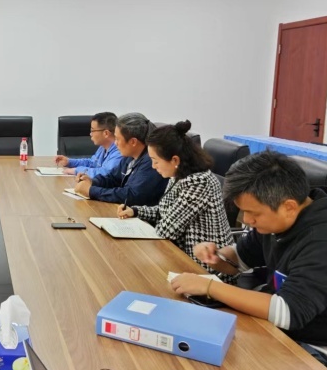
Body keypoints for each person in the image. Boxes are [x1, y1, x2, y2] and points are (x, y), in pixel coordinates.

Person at [170, 151, 327, 357]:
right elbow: (240, 259)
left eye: (253, 213)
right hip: (286, 330)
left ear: (288, 207)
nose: (246, 220)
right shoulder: (279, 221)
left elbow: (289, 312)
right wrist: (216, 257)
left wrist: (209, 287)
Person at [117, 121, 232, 275]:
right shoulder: (178, 174)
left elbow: (166, 230)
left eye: (155, 161)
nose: (153, 166)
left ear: (175, 160)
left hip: (206, 268)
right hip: (181, 255)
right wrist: (135, 211)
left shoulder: (199, 183)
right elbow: (165, 210)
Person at [74, 112, 167, 206]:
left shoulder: (151, 162)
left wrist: (91, 191)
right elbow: (113, 178)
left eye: (117, 139)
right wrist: (93, 181)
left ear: (133, 142)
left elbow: (131, 196)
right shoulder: (130, 157)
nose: (115, 143)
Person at [54, 112, 123, 178]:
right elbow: (92, 163)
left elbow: (105, 173)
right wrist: (69, 162)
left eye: (93, 131)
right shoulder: (103, 147)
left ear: (106, 133)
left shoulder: (119, 151)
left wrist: (76, 170)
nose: (90, 134)